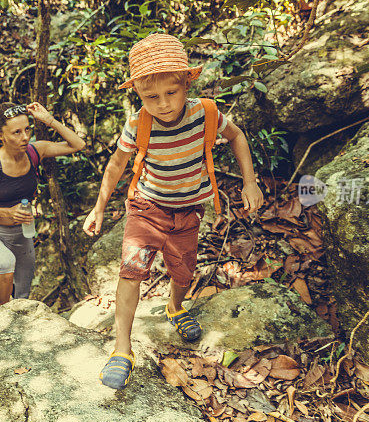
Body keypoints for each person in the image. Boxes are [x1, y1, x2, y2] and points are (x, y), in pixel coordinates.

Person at [83, 33, 265, 389]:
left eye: (172, 92)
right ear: (138, 94)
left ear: (186, 85)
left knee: (182, 273)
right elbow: (116, 165)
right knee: (131, 271)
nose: (163, 104)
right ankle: (122, 350)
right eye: (151, 97)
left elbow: (238, 137)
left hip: (188, 212)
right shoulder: (139, 123)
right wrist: (99, 208)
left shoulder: (206, 113)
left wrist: (250, 182)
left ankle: (175, 307)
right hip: (146, 208)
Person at [0, 101, 85, 306]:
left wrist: (49, 120)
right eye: (16, 132)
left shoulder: (35, 152)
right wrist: (6, 213)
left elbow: (78, 145)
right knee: (5, 262)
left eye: (27, 129)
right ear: (0, 135)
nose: (25, 137)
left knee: (21, 298)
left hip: (22, 236)